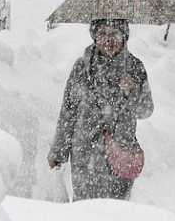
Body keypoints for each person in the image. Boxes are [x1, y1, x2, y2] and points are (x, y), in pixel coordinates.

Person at [47, 19, 154, 201]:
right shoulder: (81, 67)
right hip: (85, 154)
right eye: (103, 33)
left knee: (115, 211)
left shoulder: (135, 67)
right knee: (85, 210)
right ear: (94, 36)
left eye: (114, 34)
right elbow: (68, 111)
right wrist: (58, 152)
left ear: (124, 36)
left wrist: (132, 91)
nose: (108, 39)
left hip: (120, 151)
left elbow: (146, 110)